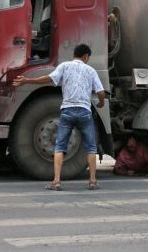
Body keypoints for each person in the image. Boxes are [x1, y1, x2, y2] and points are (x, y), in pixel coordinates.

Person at [13, 44, 105, 191]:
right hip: (84, 111)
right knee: (91, 147)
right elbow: (100, 92)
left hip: (67, 111)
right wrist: (101, 103)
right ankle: (93, 181)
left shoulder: (65, 66)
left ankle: (56, 181)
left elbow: (48, 79)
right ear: (86, 56)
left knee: (60, 147)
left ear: (74, 54)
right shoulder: (91, 70)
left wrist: (27, 81)